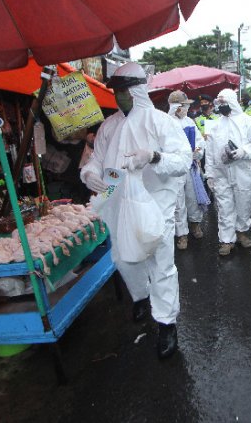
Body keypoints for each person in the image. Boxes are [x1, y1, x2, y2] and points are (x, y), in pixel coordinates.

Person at [81, 62, 192, 358]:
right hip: (118, 204)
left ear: (139, 90)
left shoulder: (160, 122)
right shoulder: (109, 126)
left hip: (157, 206)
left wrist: (153, 157)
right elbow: (97, 159)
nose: (120, 97)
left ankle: (167, 322)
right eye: (116, 91)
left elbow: (183, 160)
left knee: (161, 265)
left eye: (125, 91)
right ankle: (141, 296)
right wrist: (90, 173)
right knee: (125, 259)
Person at [204, 88, 251, 256]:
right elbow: (209, 151)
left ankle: (241, 232)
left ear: (232, 101)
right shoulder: (214, 124)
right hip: (221, 173)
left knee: (244, 203)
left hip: (244, 172)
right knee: (224, 206)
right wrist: (209, 174)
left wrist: (243, 151)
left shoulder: (247, 121)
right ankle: (226, 240)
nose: (222, 106)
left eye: (224, 103)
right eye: (219, 103)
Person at [166, 90, 207, 250]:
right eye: (184, 106)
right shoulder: (165, 123)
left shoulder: (190, 121)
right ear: (176, 107)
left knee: (192, 197)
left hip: (191, 167)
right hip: (174, 170)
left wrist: (198, 150)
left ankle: (195, 224)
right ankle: (182, 234)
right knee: (178, 202)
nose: (187, 109)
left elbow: (199, 140)